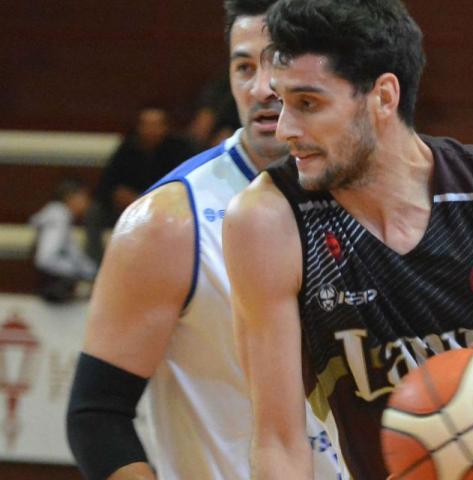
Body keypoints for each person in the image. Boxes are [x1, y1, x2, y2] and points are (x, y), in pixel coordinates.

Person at [222, 1, 473, 478]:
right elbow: (279, 441)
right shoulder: (269, 221)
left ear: (384, 96)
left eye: (308, 104)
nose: (285, 130)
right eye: (282, 102)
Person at [65, 1, 343, 479]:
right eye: (243, 67)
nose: (261, 88)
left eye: (279, 62)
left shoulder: (376, 200)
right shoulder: (168, 222)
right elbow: (97, 416)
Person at [84, 106, 195, 263]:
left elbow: (185, 185)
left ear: (166, 127)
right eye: (146, 124)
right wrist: (118, 194)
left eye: (156, 124)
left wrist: (145, 200)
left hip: (164, 209)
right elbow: (106, 185)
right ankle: (94, 265)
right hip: (128, 209)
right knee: (95, 212)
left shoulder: (179, 150)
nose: (151, 129)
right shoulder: (127, 148)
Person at [29, 178, 96, 303]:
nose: (88, 202)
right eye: (85, 197)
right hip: (50, 283)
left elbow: (74, 254)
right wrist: (75, 272)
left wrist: (92, 272)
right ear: (71, 197)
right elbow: (46, 258)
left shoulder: (61, 216)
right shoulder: (58, 217)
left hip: (53, 278)